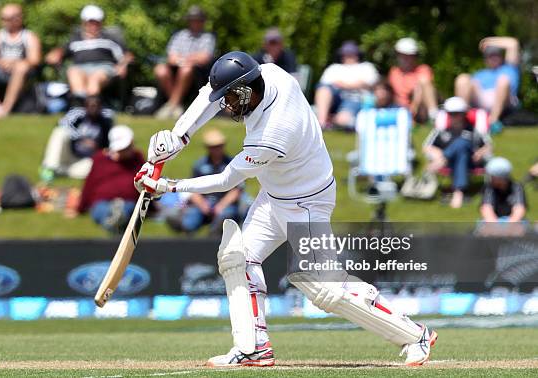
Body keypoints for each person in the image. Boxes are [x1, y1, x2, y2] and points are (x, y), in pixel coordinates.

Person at [135, 51, 437, 367]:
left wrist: (169, 186)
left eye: (231, 99)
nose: (226, 106)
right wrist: (178, 135)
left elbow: (227, 180)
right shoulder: (266, 73)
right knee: (238, 256)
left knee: (323, 288)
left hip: (307, 202)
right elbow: (208, 97)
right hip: (276, 194)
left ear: (246, 92)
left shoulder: (274, 131)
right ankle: (253, 348)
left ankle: (416, 335)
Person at [45, 5, 134, 103]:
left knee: (94, 78)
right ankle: (81, 104)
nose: (93, 25)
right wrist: (55, 55)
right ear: (84, 23)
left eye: (97, 22)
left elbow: (127, 56)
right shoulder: (75, 39)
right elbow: (60, 51)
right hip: (79, 68)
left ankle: (90, 106)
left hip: (103, 68)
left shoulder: (109, 38)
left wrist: (122, 65)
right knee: (73, 72)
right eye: (90, 22)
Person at [66, 125, 145, 233]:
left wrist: (152, 207)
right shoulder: (100, 159)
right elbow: (89, 185)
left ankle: (117, 218)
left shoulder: (138, 158)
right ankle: (113, 220)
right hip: (102, 201)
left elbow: (146, 184)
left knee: (129, 208)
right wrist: (80, 208)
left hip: (127, 201)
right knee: (101, 210)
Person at [169, 129, 242, 235]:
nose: (217, 149)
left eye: (219, 146)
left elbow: (238, 190)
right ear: (208, 148)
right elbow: (192, 188)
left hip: (225, 203)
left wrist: (220, 206)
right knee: (191, 217)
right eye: (213, 147)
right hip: (204, 202)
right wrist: (202, 205)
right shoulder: (199, 165)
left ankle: (212, 240)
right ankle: (186, 238)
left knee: (224, 217)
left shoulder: (232, 163)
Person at [423, 97, 492, 208]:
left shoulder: (473, 130)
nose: (453, 117)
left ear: (463, 114)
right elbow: (427, 147)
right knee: (461, 149)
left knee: (462, 143)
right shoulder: (442, 130)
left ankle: (456, 188)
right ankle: (458, 192)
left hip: (471, 161)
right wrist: (438, 155)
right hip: (452, 162)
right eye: (450, 113)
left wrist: (480, 153)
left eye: (456, 113)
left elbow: (487, 146)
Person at [153, 5, 216, 119]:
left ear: (202, 22)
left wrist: (183, 59)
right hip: (176, 68)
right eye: (192, 20)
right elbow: (171, 57)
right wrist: (188, 59)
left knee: (186, 69)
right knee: (160, 70)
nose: (194, 23)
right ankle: (175, 105)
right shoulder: (180, 35)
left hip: (197, 73)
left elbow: (204, 58)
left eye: (197, 20)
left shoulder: (208, 37)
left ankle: (171, 106)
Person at [40, 96, 113, 181]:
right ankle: (50, 167)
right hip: (69, 153)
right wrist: (81, 139)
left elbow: (107, 146)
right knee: (60, 132)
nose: (94, 109)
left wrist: (97, 147)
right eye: (91, 106)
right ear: (85, 107)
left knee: (96, 169)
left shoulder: (105, 123)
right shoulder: (78, 116)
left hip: (86, 159)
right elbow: (61, 124)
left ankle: (60, 171)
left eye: (96, 106)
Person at [455, 36, 520, 130]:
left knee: (503, 81)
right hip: (482, 98)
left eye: (496, 55)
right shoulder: (480, 74)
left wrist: (488, 42)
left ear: (501, 57)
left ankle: (492, 122)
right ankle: (461, 119)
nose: (493, 58)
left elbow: (513, 43)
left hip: (506, 100)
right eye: (490, 56)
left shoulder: (509, 68)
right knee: (463, 79)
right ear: (486, 59)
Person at [314, 41, 379, 130]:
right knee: (323, 90)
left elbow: (368, 83)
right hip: (335, 98)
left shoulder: (366, 67)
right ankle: (322, 122)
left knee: (343, 120)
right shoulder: (334, 68)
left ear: (357, 55)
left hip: (356, 99)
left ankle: (333, 120)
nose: (348, 56)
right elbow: (324, 86)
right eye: (346, 54)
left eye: (351, 54)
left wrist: (343, 84)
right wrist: (350, 85)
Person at [388, 38, 438, 123]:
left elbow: (421, 89)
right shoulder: (393, 72)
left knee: (422, 84)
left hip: (420, 108)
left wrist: (412, 109)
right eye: (403, 55)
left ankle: (434, 117)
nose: (406, 59)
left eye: (410, 55)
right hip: (398, 109)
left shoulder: (423, 69)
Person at [480, 157, 527, 222]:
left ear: (500, 178)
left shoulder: (516, 187)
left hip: (513, 222)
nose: (489, 178)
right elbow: (486, 208)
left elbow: (519, 209)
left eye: (492, 176)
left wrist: (509, 226)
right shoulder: (489, 188)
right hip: (493, 221)